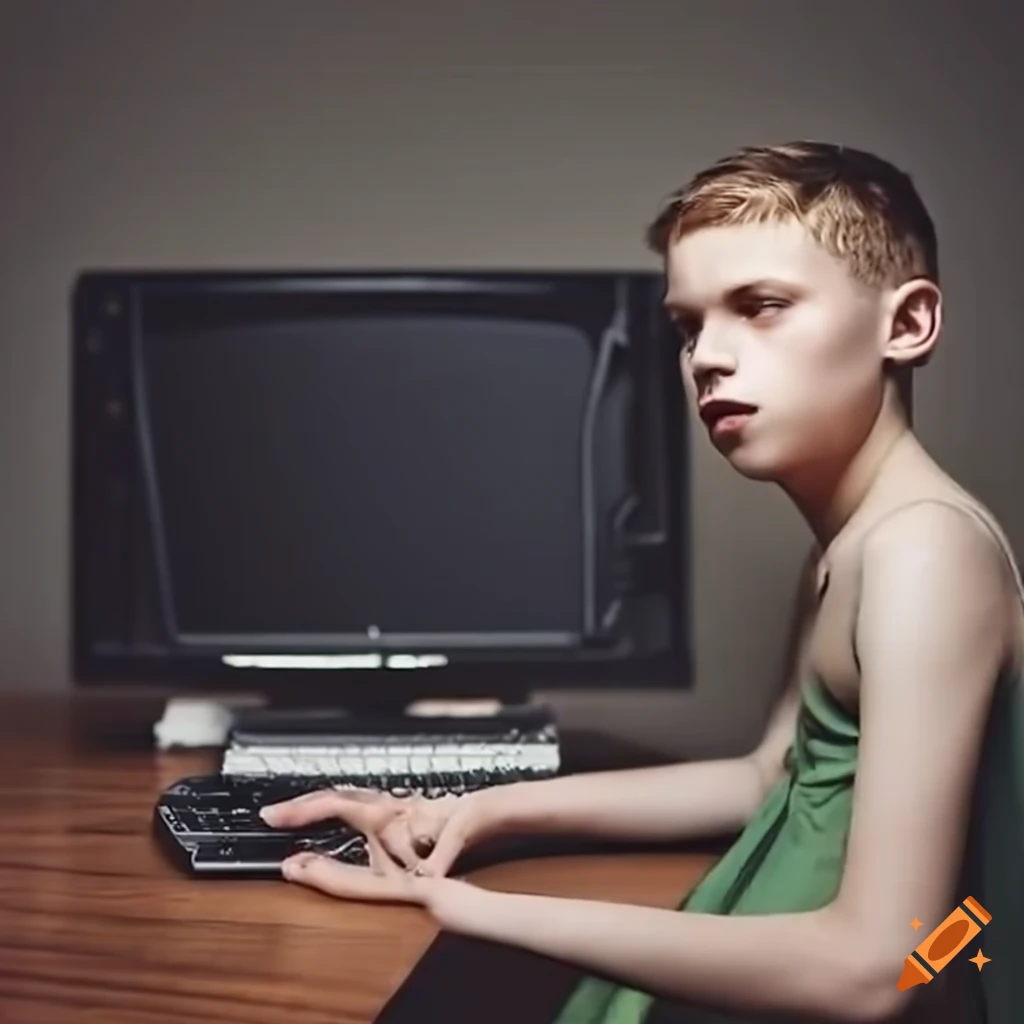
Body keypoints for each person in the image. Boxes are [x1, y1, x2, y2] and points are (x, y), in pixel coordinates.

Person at [258, 141, 1024, 1023]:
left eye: (762, 307)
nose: (707, 358)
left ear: (907, 324)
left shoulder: (925, 551)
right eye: (690, 326)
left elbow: (883, 968)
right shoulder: (852, 543)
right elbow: (770, 776)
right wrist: (478, 810)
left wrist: (469, 908)